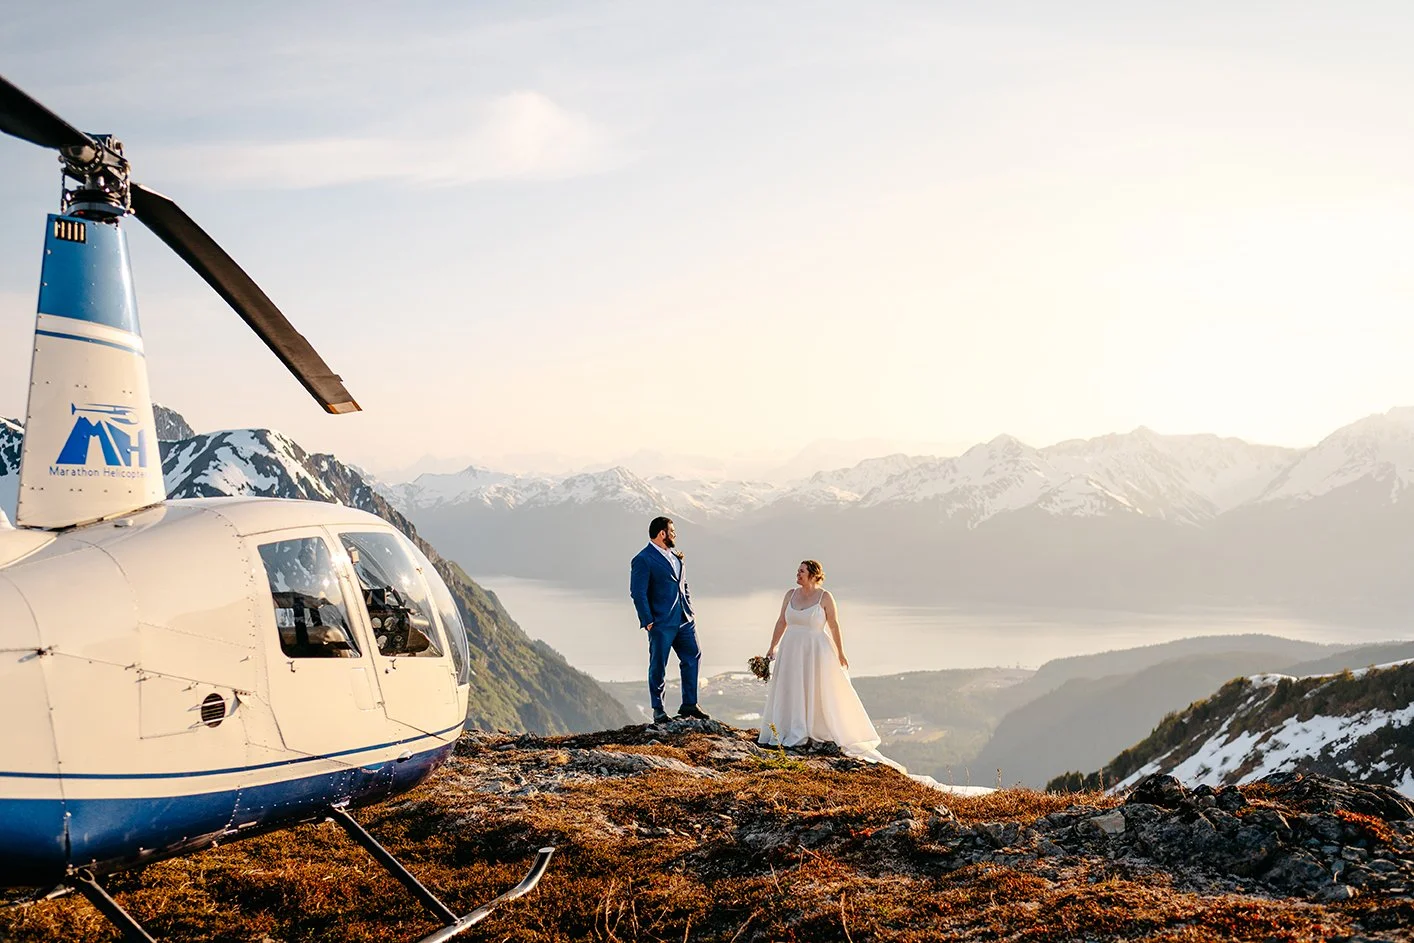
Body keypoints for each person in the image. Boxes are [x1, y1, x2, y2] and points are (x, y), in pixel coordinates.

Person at [758, 559, 884, 760]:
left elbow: (834, 625)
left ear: (814, 575)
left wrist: (841, 652)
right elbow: (781, 621)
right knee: (790, 687)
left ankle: (811, 728)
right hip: (790, 649)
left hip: (815, 651)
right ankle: (789, 728)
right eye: (798, 571)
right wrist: (772, 646)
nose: (797, 574)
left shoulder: (825, 597)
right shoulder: (790, 595)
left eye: (801, 571)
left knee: (815, 688)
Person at [630, 516, 709, 725]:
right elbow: (637, 593)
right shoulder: (643, 559)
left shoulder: (676, 557)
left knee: (693, 656)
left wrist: (689, 609)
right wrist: (647, 621)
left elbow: (684, 585)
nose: (675, 534)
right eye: (672, 531)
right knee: (658, 665)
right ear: (662, 533)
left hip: (685, 620)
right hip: (660, 623)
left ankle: (689, 704)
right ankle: (658, 709)